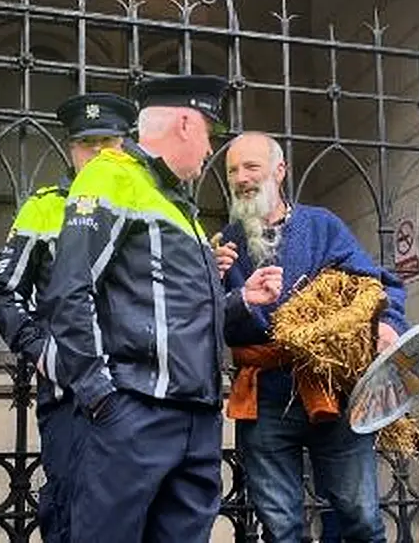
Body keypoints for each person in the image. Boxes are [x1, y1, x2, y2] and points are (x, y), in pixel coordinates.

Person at [44, 75, 283, 543]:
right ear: (186, 124)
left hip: (195, 418)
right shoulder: (112, 174)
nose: (209, 151)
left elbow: (182, 311)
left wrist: (238, 300)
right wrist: (99, 395)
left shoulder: (179, 204)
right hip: (136, 413)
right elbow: (70, 290)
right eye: (210, 135)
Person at [213, 131, 409, 542]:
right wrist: (223, 291)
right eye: (233, 170)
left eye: (252, 166)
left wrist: (387, 325)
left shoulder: (321, 226)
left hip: (332, 387)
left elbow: (375, 285)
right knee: (281, 527)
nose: (241, 178)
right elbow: (208, 323)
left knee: (359, 515)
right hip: (264, 396)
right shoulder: (224, 245)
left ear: (279, 171)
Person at [0, 92, 137, 542]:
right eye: (85, 143)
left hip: (141, 390)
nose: (95, 153)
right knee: (73, 513)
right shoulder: (45, 206)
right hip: (72, 395)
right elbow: (4, 293)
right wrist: (47, 355)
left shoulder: (143, 205)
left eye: (106, 142)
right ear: (71, 148)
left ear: (124, 147)